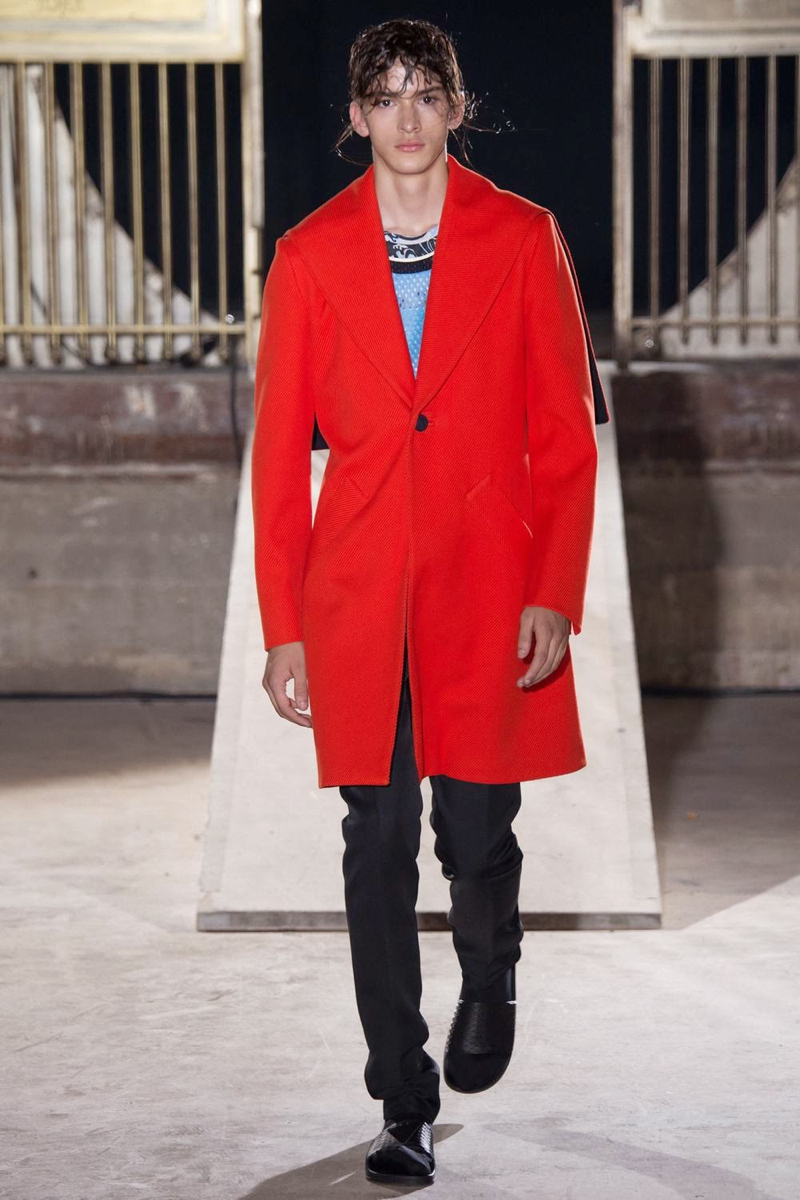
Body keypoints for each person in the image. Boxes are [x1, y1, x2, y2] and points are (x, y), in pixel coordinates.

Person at [251, 17, 609, 1187]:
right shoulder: (308, 256)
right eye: (384, 96)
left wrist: (552, 592)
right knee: (376, 842)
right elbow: (276, 457)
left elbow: (563, 436)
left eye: (425, 94)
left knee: (474, 829)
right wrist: (285, 626)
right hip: (357, 596)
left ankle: (491, 963)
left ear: (456, 108)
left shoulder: (522, 236)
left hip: (484, 586)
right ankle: (400, 1100)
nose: (405, 117)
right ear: (355, 117)